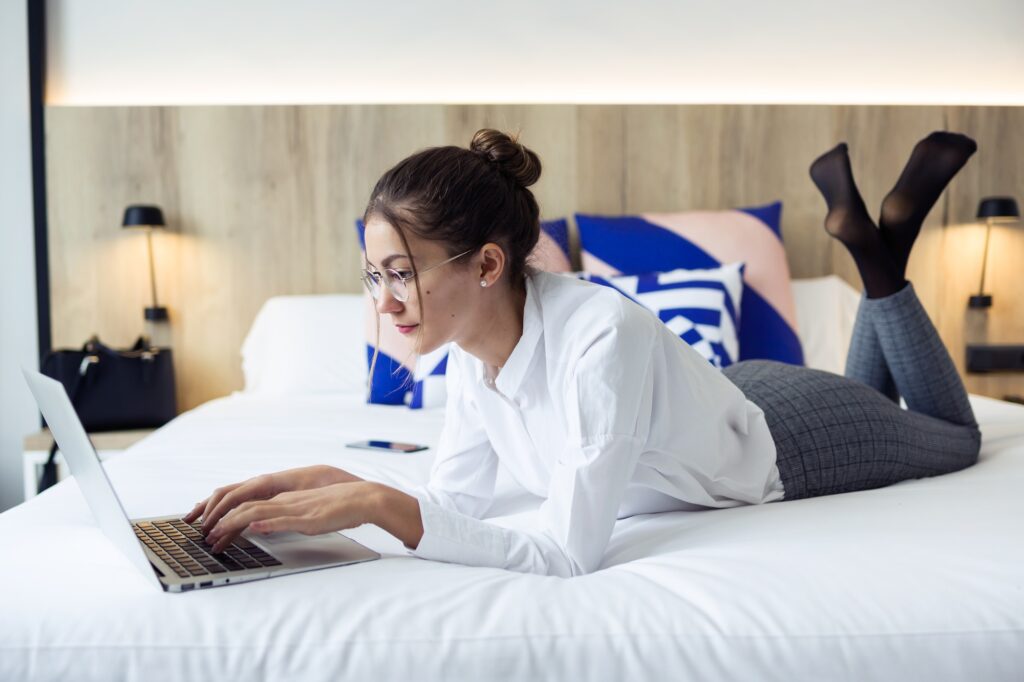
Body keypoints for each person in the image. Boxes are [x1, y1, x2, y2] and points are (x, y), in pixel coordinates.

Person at [185, 128, 982, 578]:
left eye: (400, 274)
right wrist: (345, 484)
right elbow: (459, 504)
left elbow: (566, 553)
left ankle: (880, 261)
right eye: (371, 275)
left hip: (798, 437)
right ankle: (882, 243)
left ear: (488, 266)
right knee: (878, 394)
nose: (383, 303)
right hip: (736, 393)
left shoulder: (603, 338)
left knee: (954, 435)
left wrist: (381, 509)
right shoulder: (470, 348)